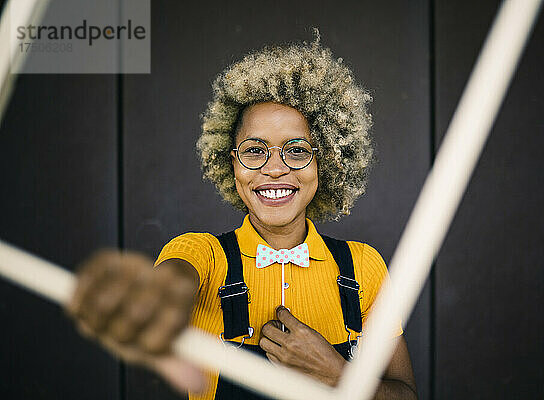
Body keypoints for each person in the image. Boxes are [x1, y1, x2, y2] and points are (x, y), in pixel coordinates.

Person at [67, 33, 418, 400]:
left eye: (296, 151)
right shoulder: (202, 254)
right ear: (231, 163)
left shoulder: (363, 267)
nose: (274, 170)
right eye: (255, 151)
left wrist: (337, 374)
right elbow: (169, 286)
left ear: (325, 161)